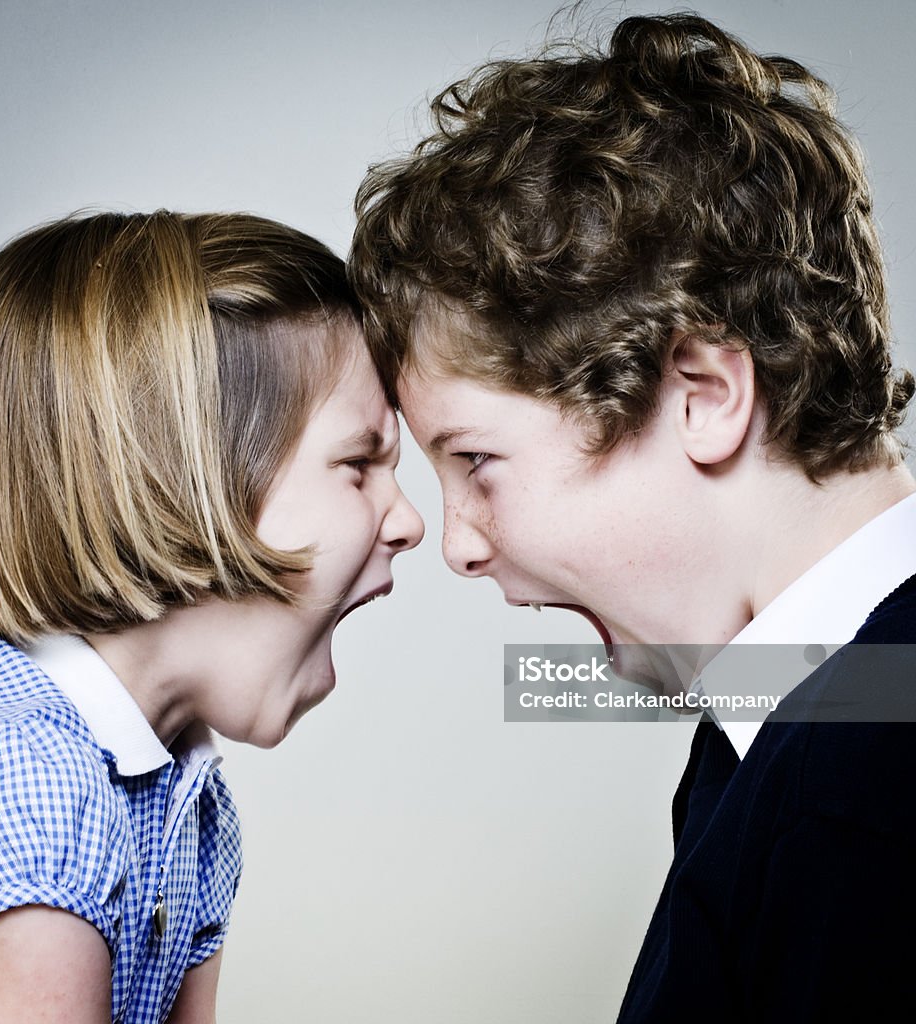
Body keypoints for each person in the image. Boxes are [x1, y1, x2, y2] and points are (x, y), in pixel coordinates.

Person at [349, 12, 916, 1020]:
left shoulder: (863, 794)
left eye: (477, 461)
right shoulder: (779, 732)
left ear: (702, 396)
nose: (459, 544)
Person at [0, 211, 423, 1023]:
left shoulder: (185, 795)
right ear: (178, 488)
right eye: (359, 465)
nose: (409, 522)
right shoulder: (12, 775)